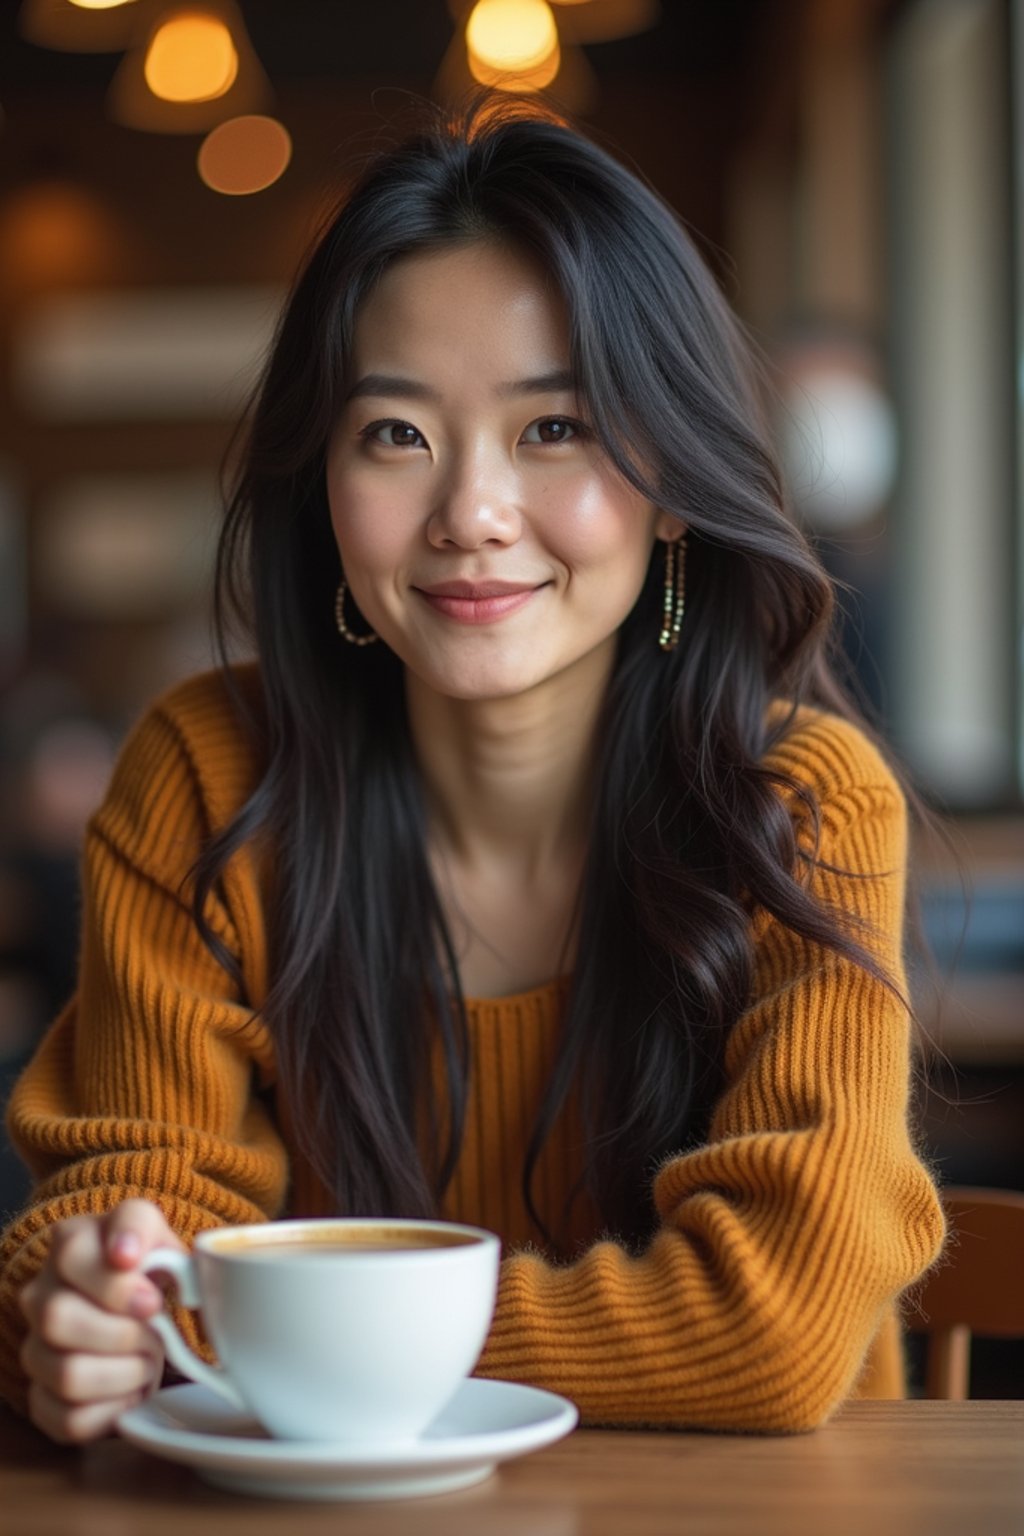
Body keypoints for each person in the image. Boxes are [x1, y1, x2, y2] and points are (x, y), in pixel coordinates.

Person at [0, 96, 945, 1444]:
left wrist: (281, 1341)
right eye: (396, 434)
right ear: (323, 483)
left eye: (553, 428)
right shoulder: (206, 781)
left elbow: (769, 1332)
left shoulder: (798, 801)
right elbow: (129, 1251)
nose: (471, 515)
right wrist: (78, 1307)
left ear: (672, 474)